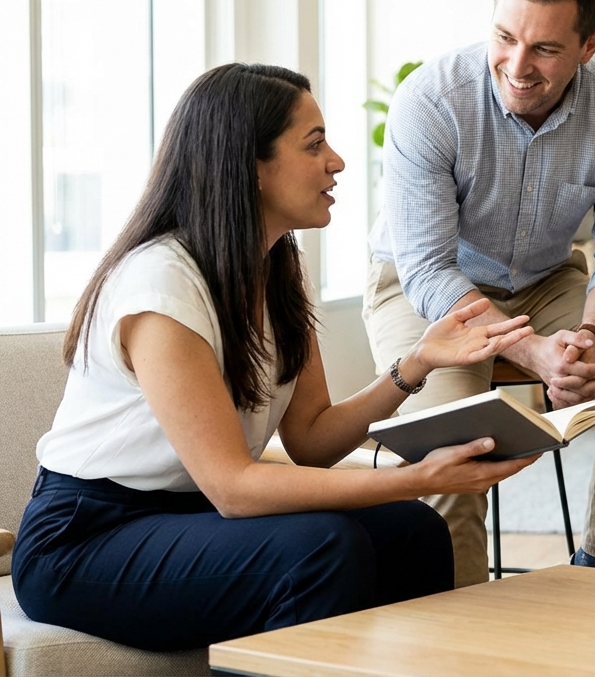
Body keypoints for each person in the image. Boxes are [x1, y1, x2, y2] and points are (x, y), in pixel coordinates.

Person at [11, 63, 539, 652]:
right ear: (250, 166)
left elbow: (312, 438)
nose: (337, 161)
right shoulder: (160, 288)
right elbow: (234, 487)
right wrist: (412, 478)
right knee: (321, 549)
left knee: (414, 531)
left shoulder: (277, 268)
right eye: (314, 145)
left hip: (191, 517)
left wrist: (415, 364)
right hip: (86, 538)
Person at [363, 0, 595, 584]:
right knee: (448, 425)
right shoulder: (431, 100)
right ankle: (458, 605)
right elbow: (426, 266)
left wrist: (586, 337)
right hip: (426, 289)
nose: (516, 65)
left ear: (589, 46)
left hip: (546, 280)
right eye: (505, 37)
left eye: (544, 48)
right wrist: (534, 351)